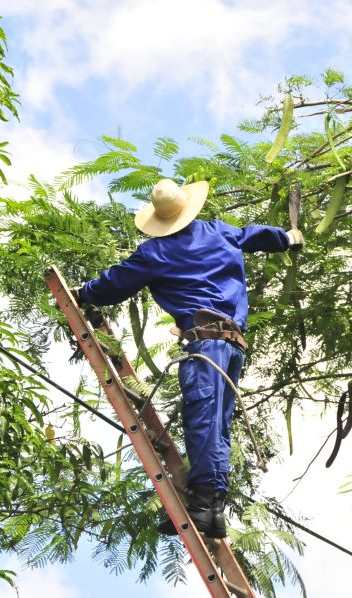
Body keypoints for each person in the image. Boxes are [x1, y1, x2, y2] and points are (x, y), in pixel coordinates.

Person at [73, 178, 303, 539]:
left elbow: (112, 285)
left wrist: (83, 293)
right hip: (232, 347)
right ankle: (211, 510)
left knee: (204, 419)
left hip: (205, 344)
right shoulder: (219, 232)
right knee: (217, 426)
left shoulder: (155, 253)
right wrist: (287, 238)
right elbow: (255, 234)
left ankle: (203, 504)